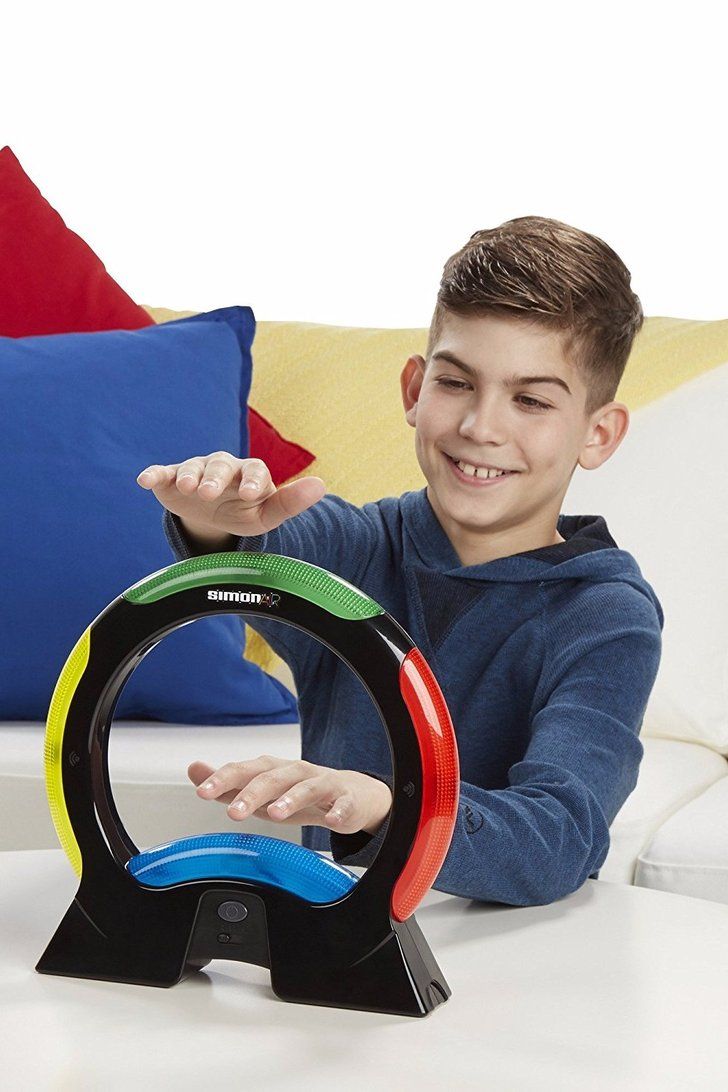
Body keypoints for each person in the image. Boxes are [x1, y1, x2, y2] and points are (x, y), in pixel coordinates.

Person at [136, 215, 663, 906]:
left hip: (517, 963)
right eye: (456, 384)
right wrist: (215, 521)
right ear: (415, 390)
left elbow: (557, 839)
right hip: (338, 941)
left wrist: (387, 806)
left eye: (530, 399)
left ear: (598, 433)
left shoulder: (607, 618)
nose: (481, 427)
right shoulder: (360, 548)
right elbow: (269, 545)